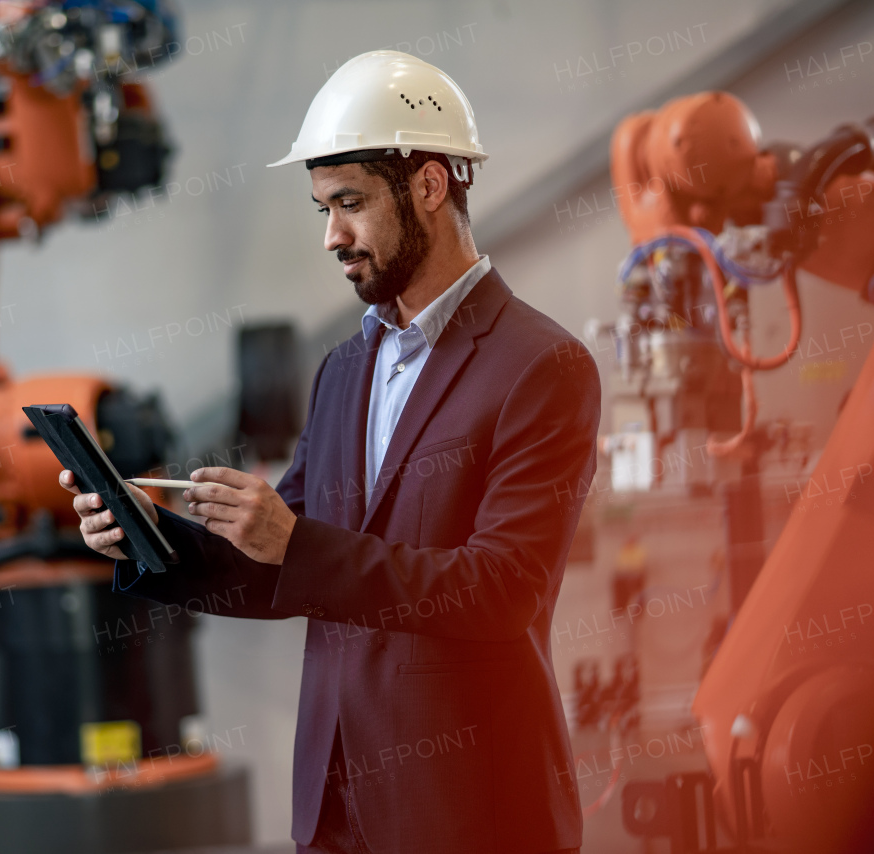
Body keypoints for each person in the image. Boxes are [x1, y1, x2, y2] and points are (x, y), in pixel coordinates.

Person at [61, 50, 599, 854]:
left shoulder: (541, 367)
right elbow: (287, 570)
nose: (331, 237)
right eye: (322, 207)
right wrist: (150, 539)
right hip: (336, 810)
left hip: (471, 812)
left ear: (428, 184)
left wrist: (295, 542)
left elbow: (503, 591)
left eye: (349, 204)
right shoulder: (348, 368)